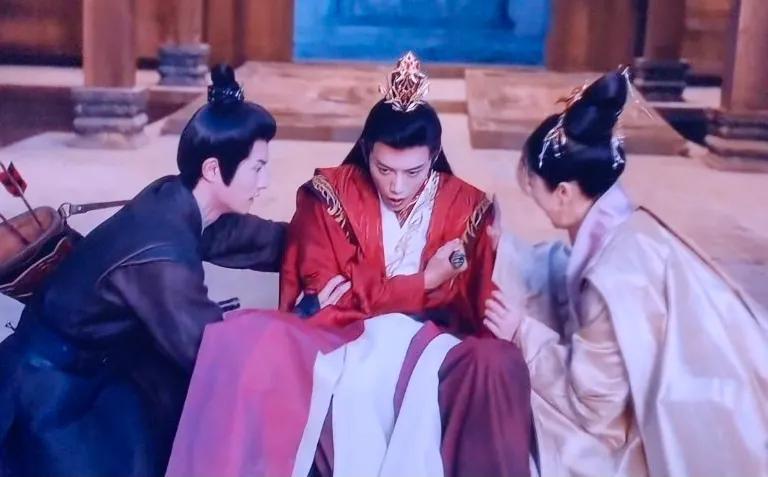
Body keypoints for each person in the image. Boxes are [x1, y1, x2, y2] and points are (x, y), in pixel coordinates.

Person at [167, 52, 532, 477]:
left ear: (434, 156)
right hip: (348, 344)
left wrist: (372, 287)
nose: (397, 186)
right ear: (365, 150)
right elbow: (324, 300)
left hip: (436, 346)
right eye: (383, 169)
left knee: (497, 365)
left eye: (413, 172)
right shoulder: (327, 197)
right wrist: (426, 281)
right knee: (250, 344)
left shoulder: (468, 208)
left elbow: (474, 310)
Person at [0, 65, 341, 477]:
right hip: (55, 391)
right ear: (213, 169)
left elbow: (245, 238)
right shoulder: (161, 257)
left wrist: (327, 246)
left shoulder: (177, 196)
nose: (265, 181)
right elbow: (214, 352)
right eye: (257, 167)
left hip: (101, 359)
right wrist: (302, 318)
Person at [485, 70, 768, 476]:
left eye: (536, 189)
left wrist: (522, 334)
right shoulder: (626, 220)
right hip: (730, 386)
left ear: (563, 192)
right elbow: (565, 267)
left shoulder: (610, 280)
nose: (537, 202)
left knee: (513, 404)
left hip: (671, 432)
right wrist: (504, 247)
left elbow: (595, 413)